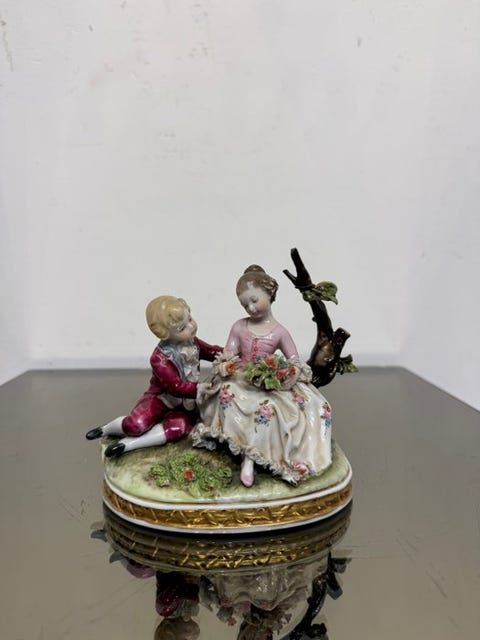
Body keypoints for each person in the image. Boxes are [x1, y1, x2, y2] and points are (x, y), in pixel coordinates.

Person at [193, 265, 332, 487]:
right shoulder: (239, 327)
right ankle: (242, 452)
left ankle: (251, 459)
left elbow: (294, 361)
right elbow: (228, 354)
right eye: (244, 304)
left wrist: (286, 372)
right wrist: (225, 365)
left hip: (268, 383)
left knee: (270, 408)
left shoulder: (280, 332)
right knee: (227, 393)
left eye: (254, 300)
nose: (250, 308)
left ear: (270, 293)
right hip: (240, 379)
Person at [85, 295, 222, 457]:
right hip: (161, 399)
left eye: (190, 319)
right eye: (182, 328)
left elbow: (212, 351)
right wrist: (198, 388)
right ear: (165, 334)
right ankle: (107, 429)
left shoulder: (193, 343)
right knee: (136, 425)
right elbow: (174, 386)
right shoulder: (160, 358)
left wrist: (232, 352)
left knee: (179, 428)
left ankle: (127, 445)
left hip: (185, 404)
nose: (191, 327)